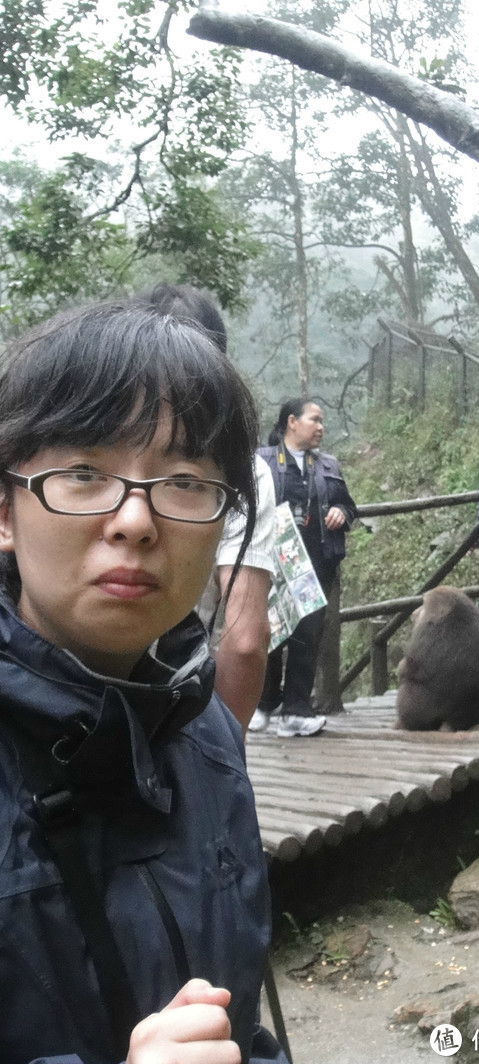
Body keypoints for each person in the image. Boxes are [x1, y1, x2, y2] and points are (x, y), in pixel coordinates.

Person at [0, 301, 288, 1064]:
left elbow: (240, 1021)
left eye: (186, 481)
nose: (135, 519)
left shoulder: (209, 735)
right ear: (4, 509)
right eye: (85, 472)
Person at [137, 282, 276, 733]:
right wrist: (220, 763)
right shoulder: (243, 472)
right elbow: (245, 638)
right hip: (170, 707)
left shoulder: (68, 452)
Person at [253, 398, 358, 738]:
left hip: (316, 562)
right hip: (272, 562)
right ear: (291, 422)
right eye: (315, 419)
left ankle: (297, 710)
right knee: (269, 632)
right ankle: (263, 705)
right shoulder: (262, 461)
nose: (320, 427)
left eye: (322, 421)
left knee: (308, 636)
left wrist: (342, 513)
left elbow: (348, 505)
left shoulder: (327, 464)